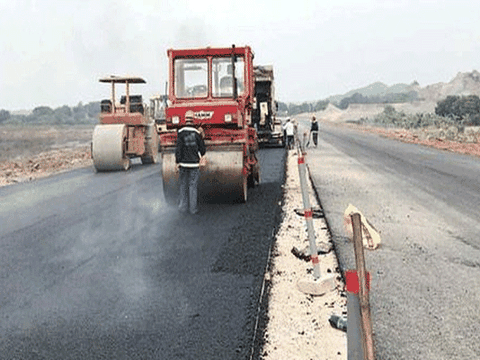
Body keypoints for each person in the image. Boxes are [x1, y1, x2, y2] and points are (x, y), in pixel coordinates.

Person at [175, 111, 206, 215]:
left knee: (183, 185)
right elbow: (202, 150)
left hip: (183, 164)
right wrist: (202, 136)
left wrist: (177, 162)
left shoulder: (181, 132)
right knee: (193, 186)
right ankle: (193, 209)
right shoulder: (197, 133)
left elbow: (178, 149)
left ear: (185, 119)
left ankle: (183, 207)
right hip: (194, 164)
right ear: (194, 119)